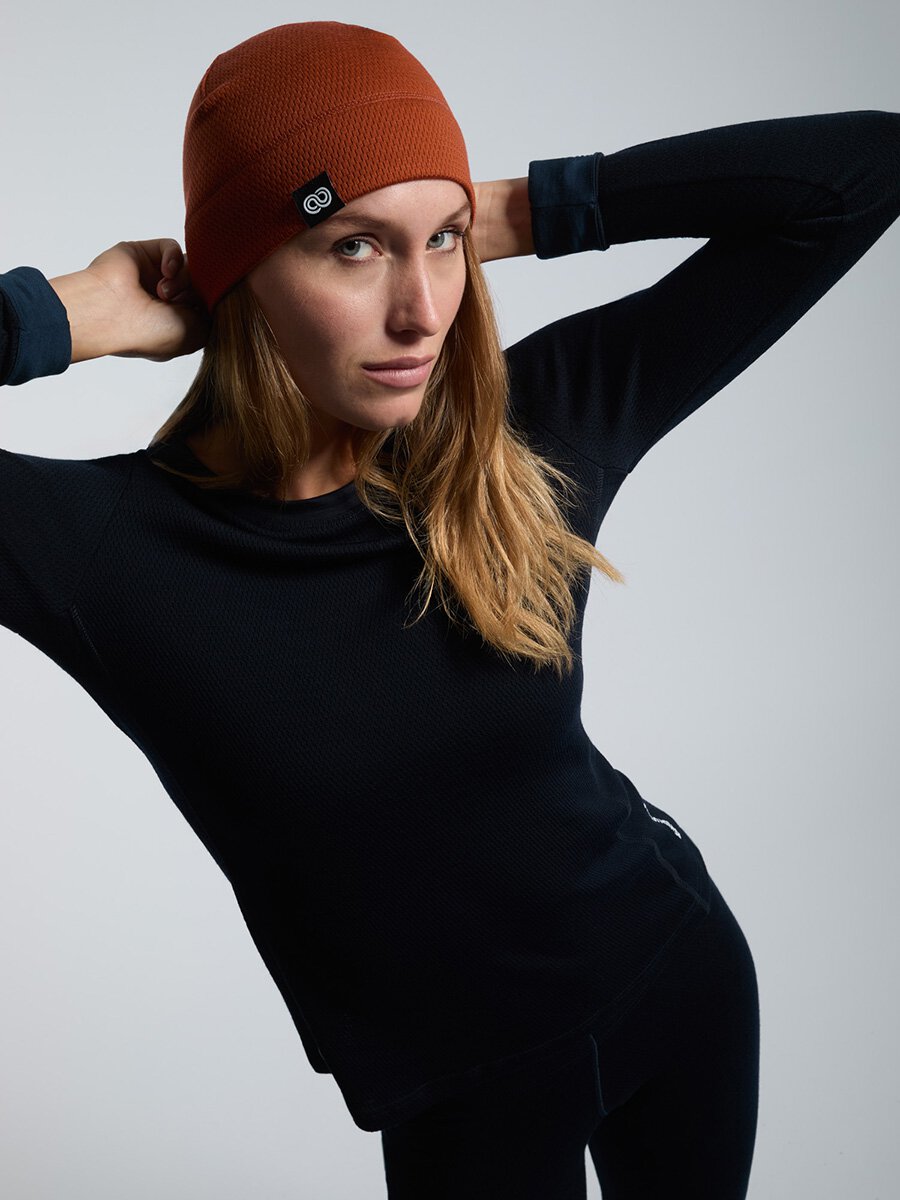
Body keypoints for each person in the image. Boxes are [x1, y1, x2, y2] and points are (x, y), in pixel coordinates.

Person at [1, 19, 898, 1199]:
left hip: (678, 979)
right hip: (468, 1101)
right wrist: (54, 320)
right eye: (354, 249)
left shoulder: (527, 435)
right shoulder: (109, 550)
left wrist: (512, 213)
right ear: (240, 273)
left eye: (443, 244)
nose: (424, 311)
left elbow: (863, 171)